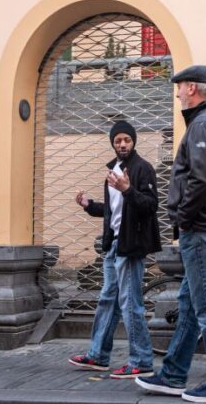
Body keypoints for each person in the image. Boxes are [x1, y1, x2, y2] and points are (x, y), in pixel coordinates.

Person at [136, 64, 206, 403]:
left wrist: (182, 219)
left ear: (194, 89)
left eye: (180, 88)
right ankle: (172, 374)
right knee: (190, 303)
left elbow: (201, 180)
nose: (178, 93)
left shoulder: (205, 125)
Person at [68, 120, 161, 379]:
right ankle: (98, 355)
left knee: (131, 304)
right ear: (113, 143)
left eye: (127, 140)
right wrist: (89, 205)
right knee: (108, 299)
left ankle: (141, 360)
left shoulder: (143, 169)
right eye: (118, 140)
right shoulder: (113, 171)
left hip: (131, 247)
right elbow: (113, 213)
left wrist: (128, 189)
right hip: (113, 245)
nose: (122, 144)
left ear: (133, 142)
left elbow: (150, 206)